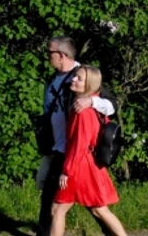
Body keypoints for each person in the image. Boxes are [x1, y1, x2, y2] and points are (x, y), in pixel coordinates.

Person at [36, 36, 117, 236]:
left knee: (77, 207)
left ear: (61, 55)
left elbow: (111, 106)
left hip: (75, 154)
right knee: (56, 204)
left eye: (50, 53)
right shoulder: (52, 81)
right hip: (58, 149)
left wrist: (91, 102)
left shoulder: (82, 77)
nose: (48, 57)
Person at [50, 65, 127, 236]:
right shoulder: (93, 106)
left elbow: (79, 144)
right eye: (74, 77)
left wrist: (67, 171)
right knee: (99, 210)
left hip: (80, 167)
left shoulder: (82, 111)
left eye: (79, 78)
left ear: (89, 84)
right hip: (89, 164)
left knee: (58, 209)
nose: (73, 80)